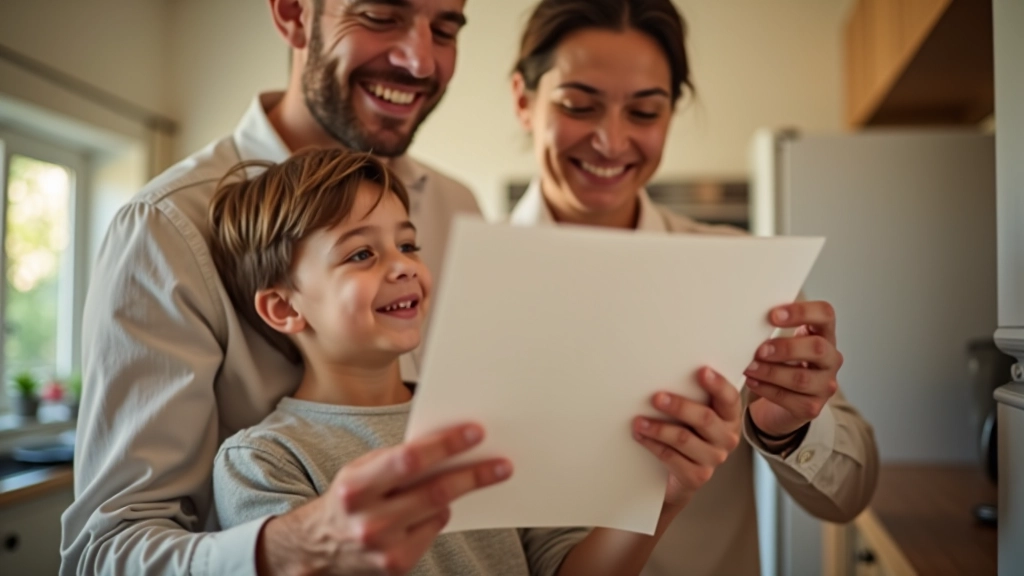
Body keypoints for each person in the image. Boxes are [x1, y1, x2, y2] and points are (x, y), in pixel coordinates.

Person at [62, 1, 489, 574]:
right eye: (380, 15)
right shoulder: (166, 227)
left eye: (444, 28)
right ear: (293, 15)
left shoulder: (459, 208)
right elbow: (103, 553)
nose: (419, 61)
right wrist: (291, 546)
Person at [205, 146, 740, 575]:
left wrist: (663, 498)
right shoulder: (262, 461)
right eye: (361, 254)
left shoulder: (483, 415)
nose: (403, 268)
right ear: (282, 307)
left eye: (408, 246)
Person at [506, 1, 881, 574]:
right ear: (523, 99)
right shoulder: (440, 283)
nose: (611, 141)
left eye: (645, 112)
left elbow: (849, 497)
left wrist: (791, 427)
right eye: (579, 105)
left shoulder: (739, 272)